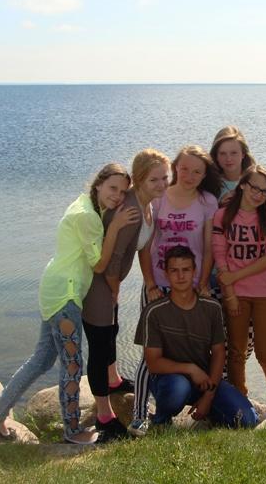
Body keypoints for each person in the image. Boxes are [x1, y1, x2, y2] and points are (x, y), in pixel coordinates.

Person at [0, 164, 138, 445]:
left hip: (54, 288)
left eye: (123, 192)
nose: (117, 195)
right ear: (98, 184)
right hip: (66, 295)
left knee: (42, 359)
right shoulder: (88, 216)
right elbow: (99, 264)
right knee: (73, 364)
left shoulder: (84, 203)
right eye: (112, 188)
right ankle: (73, 431)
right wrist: (114, 227)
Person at [128, 145, 221, 436]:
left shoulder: (207, 202)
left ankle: (196, 400)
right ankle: (139, 415)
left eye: (197, 171)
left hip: (192, 286)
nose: (189, 175)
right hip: (158, 283)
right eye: (184, 169)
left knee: (192, 345)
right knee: (150, 353)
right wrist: (150, 284)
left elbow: (208, 248)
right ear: (175, 168)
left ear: (204, 175)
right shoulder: (159, 197)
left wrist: (203, 283)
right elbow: (145, 245)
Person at [82, 149, 170, 441]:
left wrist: (149, 281)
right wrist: (114, 290)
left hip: (110, 281)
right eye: (154, 179)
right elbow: (113, 261)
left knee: (112, 331)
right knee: (100, 344)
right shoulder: (130, 211)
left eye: (165, 178)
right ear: (140, 180)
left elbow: (143, 247)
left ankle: (114, 379)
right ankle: (104, 416)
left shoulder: (149, 205)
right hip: (98, 282)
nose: (162, 184)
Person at [134, 245, 259, 429]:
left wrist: (208, 396)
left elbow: (218, 353)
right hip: (170, 380)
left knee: (247, 420)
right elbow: (153, 363)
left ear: (195, 272)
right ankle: (161, 420)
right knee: (178, 387)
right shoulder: (154, 312)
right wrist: (190, 369)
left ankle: (211, 413)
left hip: (204, 380)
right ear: (166, 274)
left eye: (186, 270)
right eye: (174, 271)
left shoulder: (211, 308)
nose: (180, 276)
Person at [212, 164, 266, 412]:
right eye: (254, 188)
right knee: (236, 351)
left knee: (265, 352)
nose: (258, 194)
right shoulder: (223, 215)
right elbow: (220, 255)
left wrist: (234, 276)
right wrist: (230, 293)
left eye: (264, 191)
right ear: (243, 185)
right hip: (236, 293)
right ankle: (240, 399)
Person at [209, 125, 257, 370]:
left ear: (243, 154)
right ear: (215, 156)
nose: (228, 159)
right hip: (216, 272)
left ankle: (236, 380)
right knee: (218, 334)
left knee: (247, 337)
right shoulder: (209, 184)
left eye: (233, 153)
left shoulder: (255, 182)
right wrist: (220, 207)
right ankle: (221, 380)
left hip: (248, 272)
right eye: (222, 153)